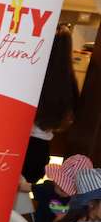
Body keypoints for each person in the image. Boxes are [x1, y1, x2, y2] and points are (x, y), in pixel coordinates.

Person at [20, 28, 79, 191]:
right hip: (41, 149)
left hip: (20, 144)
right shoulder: (68, 82)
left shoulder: (31, 73)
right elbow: (68, 118)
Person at [35, 154, 93, 222]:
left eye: (69, 187)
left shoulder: (78, 202)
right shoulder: (46, 188)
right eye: (62, 185)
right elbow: (28, 188)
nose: (64, 189)